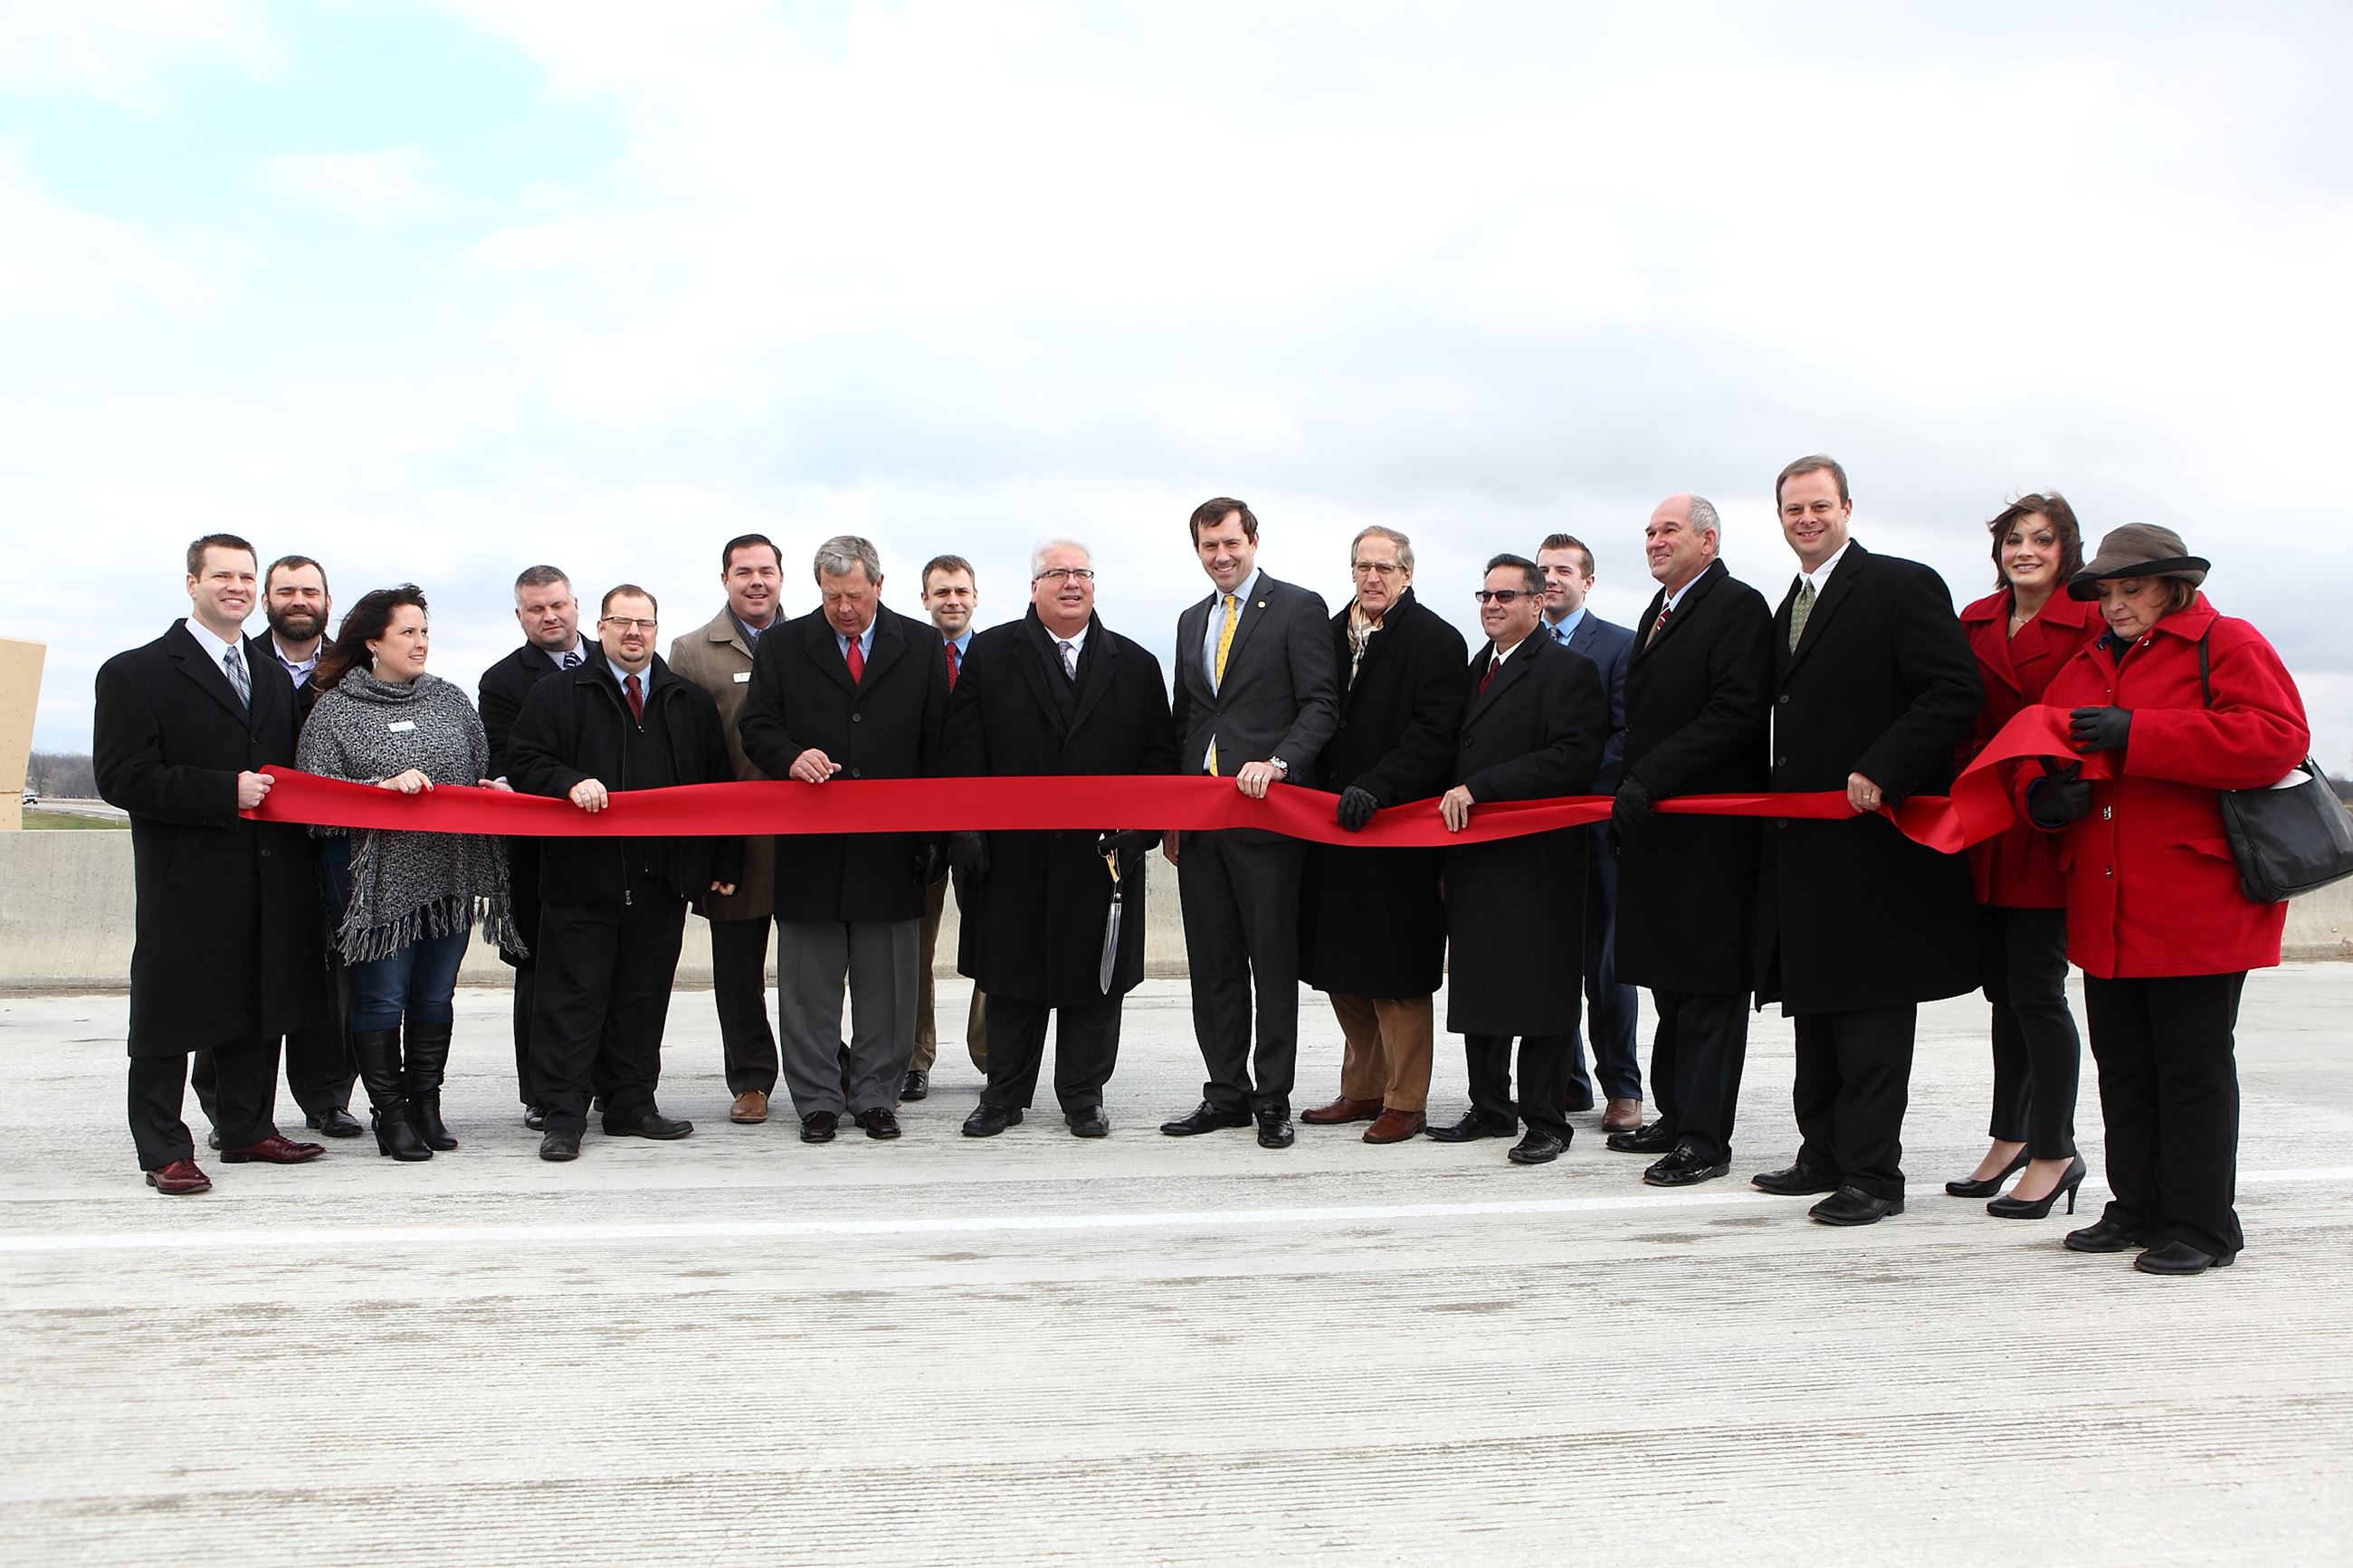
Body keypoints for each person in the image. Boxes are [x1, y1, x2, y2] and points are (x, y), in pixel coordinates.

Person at [2024, 525, 2309, 1275]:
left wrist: (2139, 732)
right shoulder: (2083, 663)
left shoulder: (2226, 641)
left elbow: (2277, 738)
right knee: (2123, 1065)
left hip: (2196, 899)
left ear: (2172, 586)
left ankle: (2203, 1225)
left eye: (2131, 588)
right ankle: (2138, 1208)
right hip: (2106, 900)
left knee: (2191, 1069)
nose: (2114, 604)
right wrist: (2044, 797)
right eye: (2106, 592)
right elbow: (2039, 754)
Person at [1751, 454, 1983, 1225]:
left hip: (1875, 848)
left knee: (1871, 1019)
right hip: (1809, 849)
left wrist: (1885, 767)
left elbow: (1954, 690)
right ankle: (1822, 1153)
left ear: (1847, 508)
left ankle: (1875, 1175)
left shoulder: (1899, 585)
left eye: (1819, 505)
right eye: (1794, 509)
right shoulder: (1791, 603)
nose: (1807, 519)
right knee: (1816, 1012)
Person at [94, 534, 328, 1193]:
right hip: (186, 876)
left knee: (256, 1005)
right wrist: (224, 791)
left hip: (268, 873)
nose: (237, 587)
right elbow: (122, 776)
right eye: (222, 575)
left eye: (246, 577)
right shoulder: (135, 672)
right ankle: (163, 1148)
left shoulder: (269, 676)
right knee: (168, 1018)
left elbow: (291, 772)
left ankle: (246, 1127)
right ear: (192, 584)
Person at [947, 541, 1175, 1136]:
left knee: (1096, 979)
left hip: (1103, 857)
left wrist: (1144, 829)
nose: (1071, 583)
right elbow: (963, 746)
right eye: (1056, 573)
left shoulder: (1137, 663)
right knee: (1009, 979)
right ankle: (1003, 1095)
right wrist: (964, 826)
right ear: (1034, 588)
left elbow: (1159, 758)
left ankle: (1083, 1095)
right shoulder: (992, 654)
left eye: (1081, 573)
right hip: (1012, 854)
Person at [510, 585, 742, 1161]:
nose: (634, 633)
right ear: (601, 628)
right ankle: (564, 1116)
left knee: (642, 998)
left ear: (656, 630)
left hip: (661, 879)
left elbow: (717, 788)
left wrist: (723, 860)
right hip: (581, 881)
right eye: (622, 622)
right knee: (572, 1001)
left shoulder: (686, 701)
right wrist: (568, 781)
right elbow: (525, 762)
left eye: (645, 623)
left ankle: (631, 1104)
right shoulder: (558, 694)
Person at [738, 536, 950, 1144]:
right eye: (833, 597)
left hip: (894, 848)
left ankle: (878, 1096)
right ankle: (818, 1101)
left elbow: (938, 744)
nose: (845, 608)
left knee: (889, 984)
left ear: (878, 585)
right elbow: (757, 726)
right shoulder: (783, 645)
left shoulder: (921, 645)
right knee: (808, 985)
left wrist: (934, 836)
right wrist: (789, 756)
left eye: (855, 595)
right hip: (811, 847)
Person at [298, 585, 519, 1162]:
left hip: (448, 874)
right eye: (407, 633)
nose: (421, 643)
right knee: (383, 997)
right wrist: (379, 791)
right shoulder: (335, 711)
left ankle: (426, 1106)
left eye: (425, 632)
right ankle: (390, 1115)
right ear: (374, 643)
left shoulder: (451, 701)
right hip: (374, 884)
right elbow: (313, 806)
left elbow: (477, 772)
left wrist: (492, 790)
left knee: (435, 995)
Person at [1160, 496, 1339, 1151]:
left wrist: (1281, 762)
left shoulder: (1297, 607)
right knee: (1213, 968)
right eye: (1209, 546)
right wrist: (1173, 813)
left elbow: (1321, 704)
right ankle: (1226, 1094)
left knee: (1271, 964)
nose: (1221, 556)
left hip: (1268, 821)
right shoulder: (1190, 620)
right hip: (1202, 823)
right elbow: (1188, 717)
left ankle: (1272, 1099)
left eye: (1231, 543)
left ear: (1253, 542)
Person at [1606, 496, 1773, 1186]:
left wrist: (1650, 777)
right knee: (1670, 988)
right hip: (1660, 832)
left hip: (1710, 837)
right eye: (1649, 530)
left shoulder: (1737, 606)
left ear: (1708, 540)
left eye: (1668, 529)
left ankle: (1705, 1139)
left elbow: (1735, 710)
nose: (1654, 539)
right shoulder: (1661, 609)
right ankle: (1675, 1117)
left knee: (1707, 993)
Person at [1948, 496, 2101, 1217]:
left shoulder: (2091, 619)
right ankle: (2009, 1136)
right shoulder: (1976, 619)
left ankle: (2055, 1149)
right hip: (1985, 818)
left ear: (2066, 550)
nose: (2026, 551)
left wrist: (2050, 791)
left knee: (2038, 989)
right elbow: (1957, 711)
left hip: (2045, 817)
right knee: (2002, 990)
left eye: (2042, 539)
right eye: (2014, 539)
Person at [1428, 554, 1606, 1165]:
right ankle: (1489, 1107)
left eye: (1505, 596)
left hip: (1539, 863)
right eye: (1485, 596)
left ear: (1537, 602)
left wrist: (1483, 788)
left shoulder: (1568, 670)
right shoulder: (1476, 669)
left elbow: (1572, 758)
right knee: (1480, 984)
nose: (1492, 605)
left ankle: (1546, 1120)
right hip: (1475, 857)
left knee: (1541, 993)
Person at [1299, 525, 1466, 1144]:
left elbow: (1433, 736)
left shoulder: (1437, 641)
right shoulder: (1325, 634)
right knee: (1339, 965)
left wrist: (1378, 786)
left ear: (1407, 574)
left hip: (1397, 828)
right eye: (1363, 566)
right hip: (1328, 825)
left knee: (1397, 971)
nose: (1372, 577)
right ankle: (1364, 1086)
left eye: (1385, 568)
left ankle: (1405, 1099)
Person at [194, 552, 359, 1141]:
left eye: (309, 591)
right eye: (286, 591)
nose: (298, 601)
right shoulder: (235, 661)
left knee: (333, 980)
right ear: (266, 601)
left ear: (328, 602)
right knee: (239, 976)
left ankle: (328, 1097)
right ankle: (232, 1109)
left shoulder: (355, 669)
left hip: (332, 846)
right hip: (251, 844)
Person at [667, 534, 787, 1126]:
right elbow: (686, 752)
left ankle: (828, 1065)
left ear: (782, 578)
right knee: (739, 972)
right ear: (725, 580)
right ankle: (751, 1079)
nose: (756, 581)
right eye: (744, 572)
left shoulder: (810, 641)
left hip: (806, 833)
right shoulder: (691, 651)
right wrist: (709, 848)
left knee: (817, 967)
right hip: (735, 840)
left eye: (766, 570)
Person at [478, 565, 595, 1129]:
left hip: (610, 848)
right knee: (539, 974)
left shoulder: (616, 660)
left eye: (557, 605)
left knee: (604, 974)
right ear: (519, 616)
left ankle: (604, 1085)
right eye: (536, 609)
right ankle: (541, 1094)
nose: (549, 616)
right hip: (538, 854)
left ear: (576, 605)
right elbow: (505, 759)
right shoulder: (502, 681)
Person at [1537, 532, 1643, 1133]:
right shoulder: (1520, 646)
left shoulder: (1621, 645)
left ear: (1588, 582)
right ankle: (1569, 1080)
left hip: (1597, 825)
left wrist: (1571, 784)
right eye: (1543, 570)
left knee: (1607, 966)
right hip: (1539, 831)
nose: (1551, 579)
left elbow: (1627, 731)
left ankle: (1622, 1086)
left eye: (1564, 570)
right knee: (1552, 959)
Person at [910, 552, 989, 1099]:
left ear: (975, 596)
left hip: (983, 820)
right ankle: (914, 1056)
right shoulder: (909, 658)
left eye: (961, 591)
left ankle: (993, 1055)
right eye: (941, 592)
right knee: (914, 947)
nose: (952, 601)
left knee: (992, 940)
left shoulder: (997, 655)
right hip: (919, 823)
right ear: (925, 600)